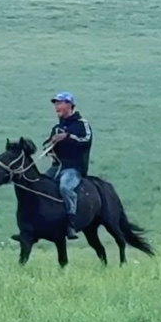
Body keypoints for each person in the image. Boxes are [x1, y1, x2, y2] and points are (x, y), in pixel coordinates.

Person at [45, 92, 92, 238]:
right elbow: (47, 145)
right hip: (56, 168)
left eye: (60, 103)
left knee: (65, 186)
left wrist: (67, 137)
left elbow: (85, 140)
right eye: (55, 104)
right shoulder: (57, 128)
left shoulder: (82, 124)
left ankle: (71, 222)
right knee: (39, 184)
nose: (56, 107)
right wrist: (50, 146)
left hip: (73, 168)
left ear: (69, 105)